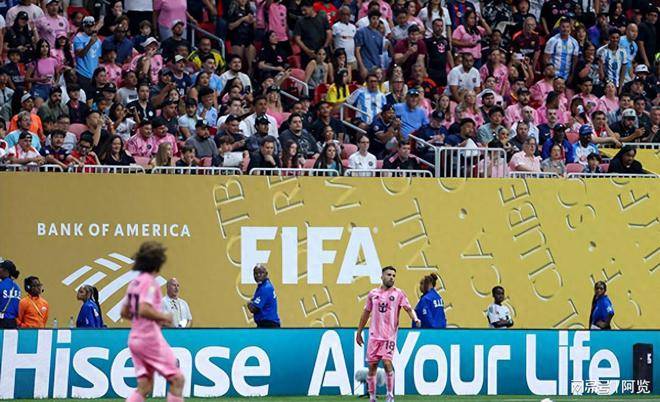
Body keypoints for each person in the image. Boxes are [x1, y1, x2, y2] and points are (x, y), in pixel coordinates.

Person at [120, 242, 185, 402]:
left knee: (145, 386)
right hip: (149, 338)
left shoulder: (134, 283)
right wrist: (163, 317)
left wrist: (141, 320)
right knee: (177, 379)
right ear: (158, 262)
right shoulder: (150, 283)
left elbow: (124, 312)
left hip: (135, 339)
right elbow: (143, 308)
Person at [356, 266, 420, 402]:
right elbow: (366, 313)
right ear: (382, 276)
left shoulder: (398, 294)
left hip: (389, 336)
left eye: (393, 275)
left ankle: (390, 396)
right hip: (374, 336)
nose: (391, 277)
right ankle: (372, 398)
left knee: (387, 362)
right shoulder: (373, 294)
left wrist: (415, 319)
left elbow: (408, 309)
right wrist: (359, 332)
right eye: (389, 275)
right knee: (372, 367)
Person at [0, 259, 21, 329]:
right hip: (13, 322)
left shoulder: (1, 285)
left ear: (6, 271)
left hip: (1, 321)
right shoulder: (17, 287)